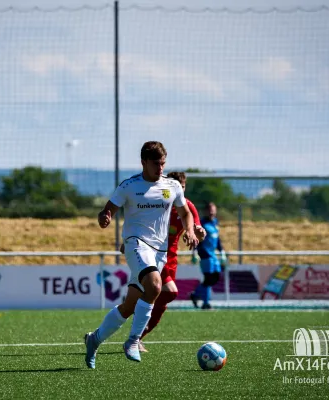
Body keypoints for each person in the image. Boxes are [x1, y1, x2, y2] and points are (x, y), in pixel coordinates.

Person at [84, 141, 199, 369]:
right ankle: (133, 341)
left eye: (163, 163)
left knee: (129, 306)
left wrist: (190, 229)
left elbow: (185, 212)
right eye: (156, 163)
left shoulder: (172, 186)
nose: (160, 168)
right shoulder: (129, 186)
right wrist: (104, 217)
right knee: (155, 286)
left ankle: (93, 339)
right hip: (135, 244)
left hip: (159, 251)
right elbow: (108, 210)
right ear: (144, 162)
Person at [137, 171, 206, 352]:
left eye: (182, 188)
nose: (179, 192)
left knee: (163, 300)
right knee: (170, 292)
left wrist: (198, 233)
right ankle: (137, 327)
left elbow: (197, 228)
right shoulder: (159, 203)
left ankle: (138, 334)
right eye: (177, 188)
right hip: (153, 254)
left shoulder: (187, 207)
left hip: (171, 259)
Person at [191, 202, 227, 310]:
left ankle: (196, 294)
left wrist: (222, 252)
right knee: (208, 278)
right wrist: (195, 252)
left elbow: (217, 239)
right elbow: (196, 238)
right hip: (205, 254)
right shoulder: (201, 223)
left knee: (215, 277)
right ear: (206, 211)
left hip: (213, 256)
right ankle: (206, 303)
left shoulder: (215, 222)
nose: (212, 212)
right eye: (210, 210)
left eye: (213, 210)